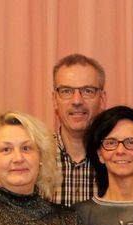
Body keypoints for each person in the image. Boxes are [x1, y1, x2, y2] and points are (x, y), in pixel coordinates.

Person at [51, 53, 108, 205]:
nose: (77, 101)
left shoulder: (118, 158)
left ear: (102, 99)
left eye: (88, 91)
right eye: (66, 91)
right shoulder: (35, 158)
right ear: (55, 100)